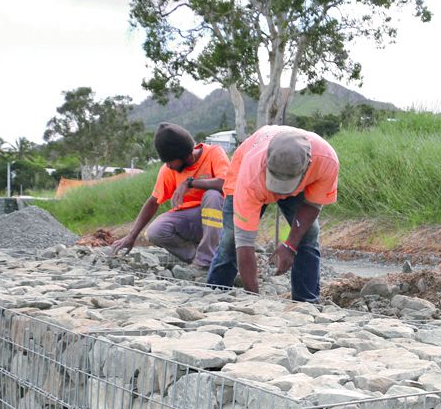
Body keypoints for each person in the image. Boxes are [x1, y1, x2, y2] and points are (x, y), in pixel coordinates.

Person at [205, 125, 339, 302]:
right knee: (231, 238)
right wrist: (254, 300)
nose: (281, 193)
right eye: (277, 182)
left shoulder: (326, 161)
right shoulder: (250, 175)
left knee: (308, 235)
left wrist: (290, 245)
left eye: (286, 186)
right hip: (253, 179)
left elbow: (313, 205)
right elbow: (244, 243)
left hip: (299, 182)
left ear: (308, 166)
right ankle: (215, 292)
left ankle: (306, 302)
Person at [112, 123, 229, 269]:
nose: (167, 165)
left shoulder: (214, 153)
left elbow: (226, 183)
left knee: (213, 196)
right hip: (191, 222)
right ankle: (199, 261)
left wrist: (191, 183)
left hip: (221, 221)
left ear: (186, 155)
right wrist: (132, 236)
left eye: (170, 161)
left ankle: (208, 259)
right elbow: (153, 202)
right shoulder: (168, 171)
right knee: (155, 231)